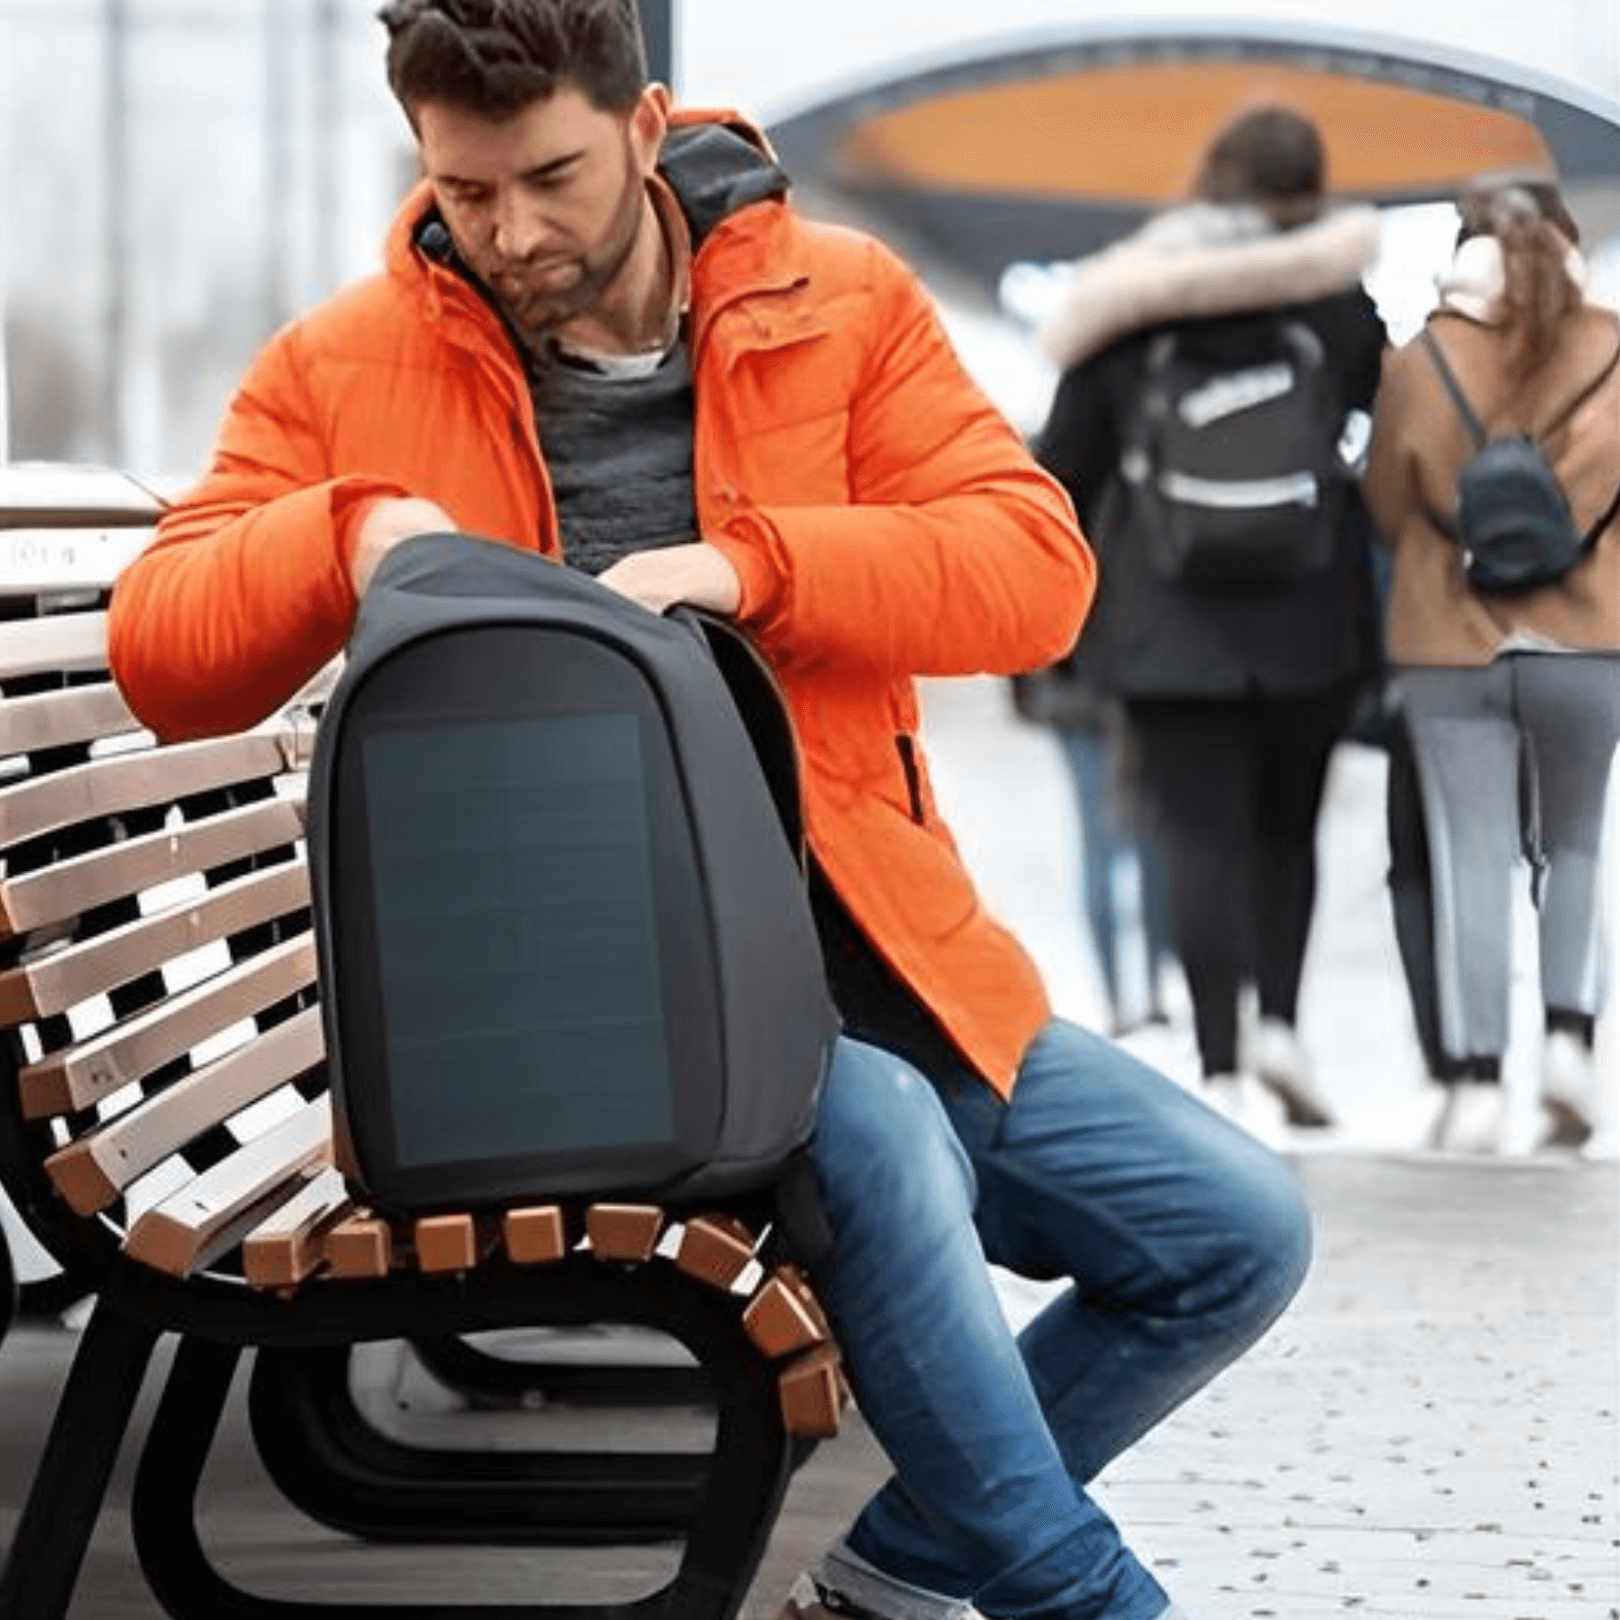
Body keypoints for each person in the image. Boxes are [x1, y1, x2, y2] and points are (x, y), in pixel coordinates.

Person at [107, 7, 1313, 1618]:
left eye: (550, 176)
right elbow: (160, 653)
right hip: (580, 1034)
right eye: (466, 191)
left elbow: (1038, 572)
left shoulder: (840, 303)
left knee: (1235, 1233)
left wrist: (752, 570)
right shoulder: (349, 366)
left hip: (890, 966)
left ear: (643, 123)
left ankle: (890, 1581)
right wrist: (348, 532)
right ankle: (1092, 1604)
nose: (510, 233)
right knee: (882, 1134)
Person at [1034, 105, 1387, 1139]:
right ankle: (1280, 1024)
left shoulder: (1129, 309)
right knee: (1286, 831)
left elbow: (1064, 471)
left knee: (1198, 839)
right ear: (1309, 188)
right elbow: (1377, 420)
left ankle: (1222, 1067)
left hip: (1168, 625)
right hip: (1306, 612)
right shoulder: (1336, 303)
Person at [1363, 179, 1620, 1157]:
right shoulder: (1611, 347)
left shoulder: (1420, 358)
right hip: (1589, 638)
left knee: (1471, 856)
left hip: (1449, 638)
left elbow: (1388, 507)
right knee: (1577, 845)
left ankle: (1476, 1084)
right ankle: (1569, 1044)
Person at [1010, 642, 1178, 1037]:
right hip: (1114, 690)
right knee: (1137, 840)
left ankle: (1129, 999)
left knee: (1119, 843)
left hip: (1082, 691)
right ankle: (1141, 995)